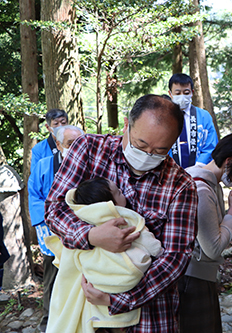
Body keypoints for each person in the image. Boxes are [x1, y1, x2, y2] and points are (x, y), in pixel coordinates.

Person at [45, 94, 198, 333]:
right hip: (86, 309)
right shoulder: (89, 149)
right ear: (127, 125)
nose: (148, 155)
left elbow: (175, 257)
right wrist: (91, 236)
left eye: (160, 150)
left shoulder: (181, 185)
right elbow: (55, 209)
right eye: (141, 144)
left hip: (150, 316)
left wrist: (117, 300)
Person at [46, 177, 162, 333]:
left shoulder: (83, 217)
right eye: (118, 192)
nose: (124, 194)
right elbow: (148, 242)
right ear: (109, 204)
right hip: (119, 279)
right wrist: (159, 250)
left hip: (94, 286)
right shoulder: (124, 218)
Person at [178, 132, 232, 333]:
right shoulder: (201, 190)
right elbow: (214, 249)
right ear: (230, 162)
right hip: (192, 279)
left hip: (195, 275)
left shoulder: (201, 177)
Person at [28, 125, 84, 332]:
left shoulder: (90, 163)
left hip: (83, 230)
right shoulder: (44, 165)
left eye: (79, 143)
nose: (76, 148)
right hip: (51, 229)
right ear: (58, 145)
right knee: (52, 276)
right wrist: (42, 226)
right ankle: (48, 321)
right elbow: (34, 196)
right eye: (70, 144)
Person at [168, 73, 218, 168]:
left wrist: (197, 168)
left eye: (186, 93)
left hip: (200, 171)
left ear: (192, 92)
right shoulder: (164, 117)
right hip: (170, 172)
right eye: (177, 93)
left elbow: (211, 146)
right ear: (170, 93)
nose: (182, 96)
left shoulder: (204, 116)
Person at [30, 109, 68, 175]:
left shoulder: (76, 144)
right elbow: (35, 177)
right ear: (48, 127)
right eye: (56, 124)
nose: (60, 126)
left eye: (63, 123)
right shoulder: (39, 149)